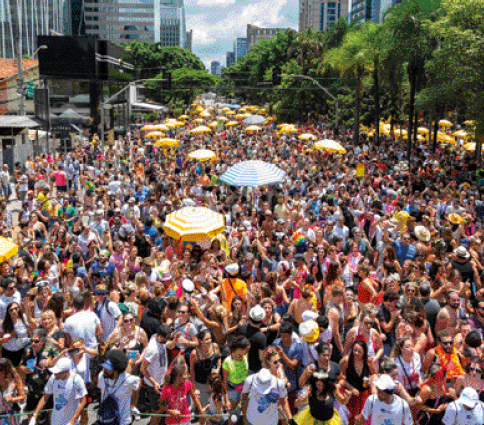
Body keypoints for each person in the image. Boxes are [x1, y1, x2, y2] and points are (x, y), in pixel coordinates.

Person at [31, 357, 88, 425]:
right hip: (55, 421)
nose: (55, 373)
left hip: (70, 422)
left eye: (57, 372)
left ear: (66, 371)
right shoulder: (53, 378)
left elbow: (83, 401)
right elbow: (45, 398)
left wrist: (72, 421)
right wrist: (35, 415)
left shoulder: (76, 380)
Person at [150, 361, 205, 425]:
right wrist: (170, 411)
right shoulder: (167, 389)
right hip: (172, 421)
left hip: (185, 418)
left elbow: (194, 397)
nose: (187, 376)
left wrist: (201, 409)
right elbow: (160, 404)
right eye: (185, 374)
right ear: (178, 377)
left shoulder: (187, 383)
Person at [139, 323, 175, 414]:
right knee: (157, 409)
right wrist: (154, 383)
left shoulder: (158, 338)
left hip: (162, 381)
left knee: (163, 406)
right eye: (166, 338)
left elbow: (170, 346)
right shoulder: (152, 349)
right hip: (155, 385)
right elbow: (143, 369)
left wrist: (176, 339)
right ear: (159, 337)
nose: (167, 340)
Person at [98, 349, 141, 425]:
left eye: (108, 368)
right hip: (105, 419)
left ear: (116, 371)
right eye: (104, 366)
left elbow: (139, 382)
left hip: (123, 422)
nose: (104, 369)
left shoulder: (128, 380)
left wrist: (132, 404)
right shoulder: (101, 376)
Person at [238, 305, 267, 374]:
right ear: (262, 320)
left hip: (240, 365)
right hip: (254, 369)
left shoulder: (242, 327)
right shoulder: (261, 337)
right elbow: (261, 358)